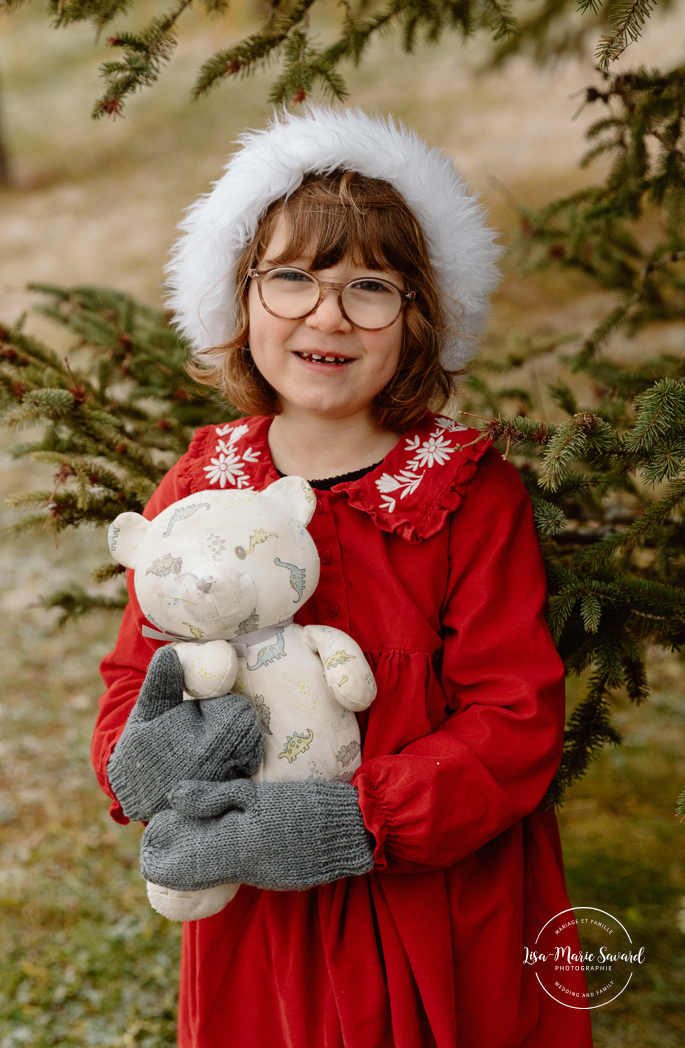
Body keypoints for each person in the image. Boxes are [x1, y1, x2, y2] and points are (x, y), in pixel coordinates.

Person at [91, 108, 593, 1048]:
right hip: (254, 902)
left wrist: (360, 820)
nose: (327, 314)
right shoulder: (200, 487)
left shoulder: (464, 492)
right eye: (292, 279)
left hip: (431, 892)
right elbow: (136, 674)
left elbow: (514, 715)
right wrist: (148, 760)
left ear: (418, 318)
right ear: (239, 300)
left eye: (371, 287)